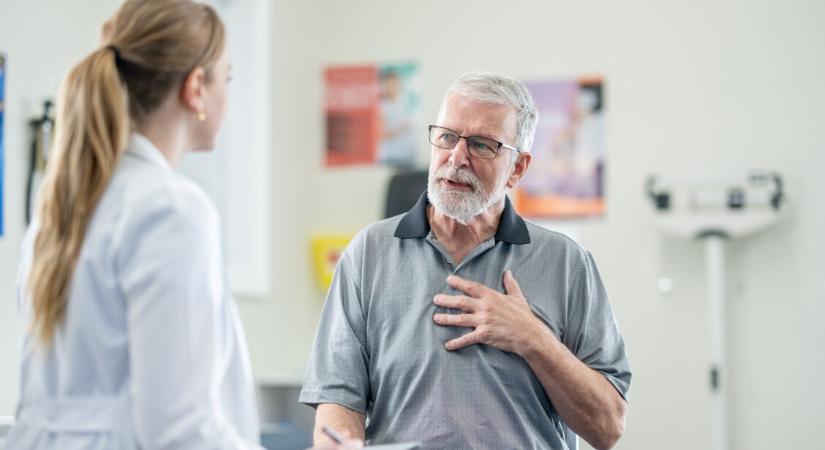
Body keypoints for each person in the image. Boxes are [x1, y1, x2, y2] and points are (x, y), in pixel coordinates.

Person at [300, 72, 631, 450]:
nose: (457, 157)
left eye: (481, 145)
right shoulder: (367, 253)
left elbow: (608, 427)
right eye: (446, 137)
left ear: (518, 168)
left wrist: (534, 339)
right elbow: (338, 401)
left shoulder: (566, 263)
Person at [9, 1, 262, 449]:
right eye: (229, 78)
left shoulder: (56, 214)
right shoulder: (172, 211)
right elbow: (180, 432)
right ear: (196, 88)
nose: (230, 92)